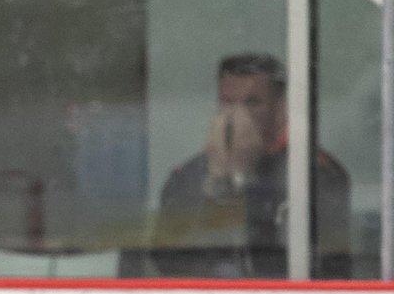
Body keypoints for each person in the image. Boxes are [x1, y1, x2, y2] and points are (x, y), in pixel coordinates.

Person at [150, 52, 351, 279]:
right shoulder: (187, 177)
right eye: (227, 104)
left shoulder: (315, 173)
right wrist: (218, 178)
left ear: (280, 109)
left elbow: (313, 266)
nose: (238, 115)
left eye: (252, 103)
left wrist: (242, 178)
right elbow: (169, 263)